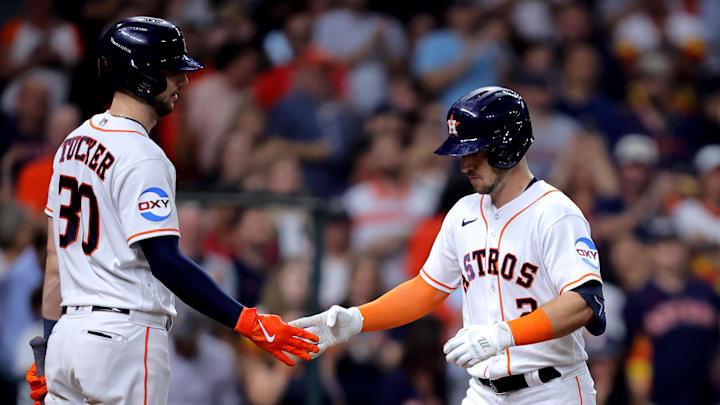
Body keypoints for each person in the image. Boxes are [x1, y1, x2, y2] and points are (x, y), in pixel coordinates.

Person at [24, 17, 318, 405]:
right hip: (122, 339)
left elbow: (54, 261)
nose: (182, 81)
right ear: (141, 73)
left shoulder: (71, 143)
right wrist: (247, 321)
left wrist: (47, 346)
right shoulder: (142, 155)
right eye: (172, 70)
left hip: (66, 339)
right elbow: (165, 262)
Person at [292, 87, 606, 404]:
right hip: (484, 392)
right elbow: (427, 289)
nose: (464, 164)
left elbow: (583, 301)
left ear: (506, 145)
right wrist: (358, 319)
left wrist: (504, 334)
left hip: (550, 390)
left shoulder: (554, 213)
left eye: (475, 151)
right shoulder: (463, 212)